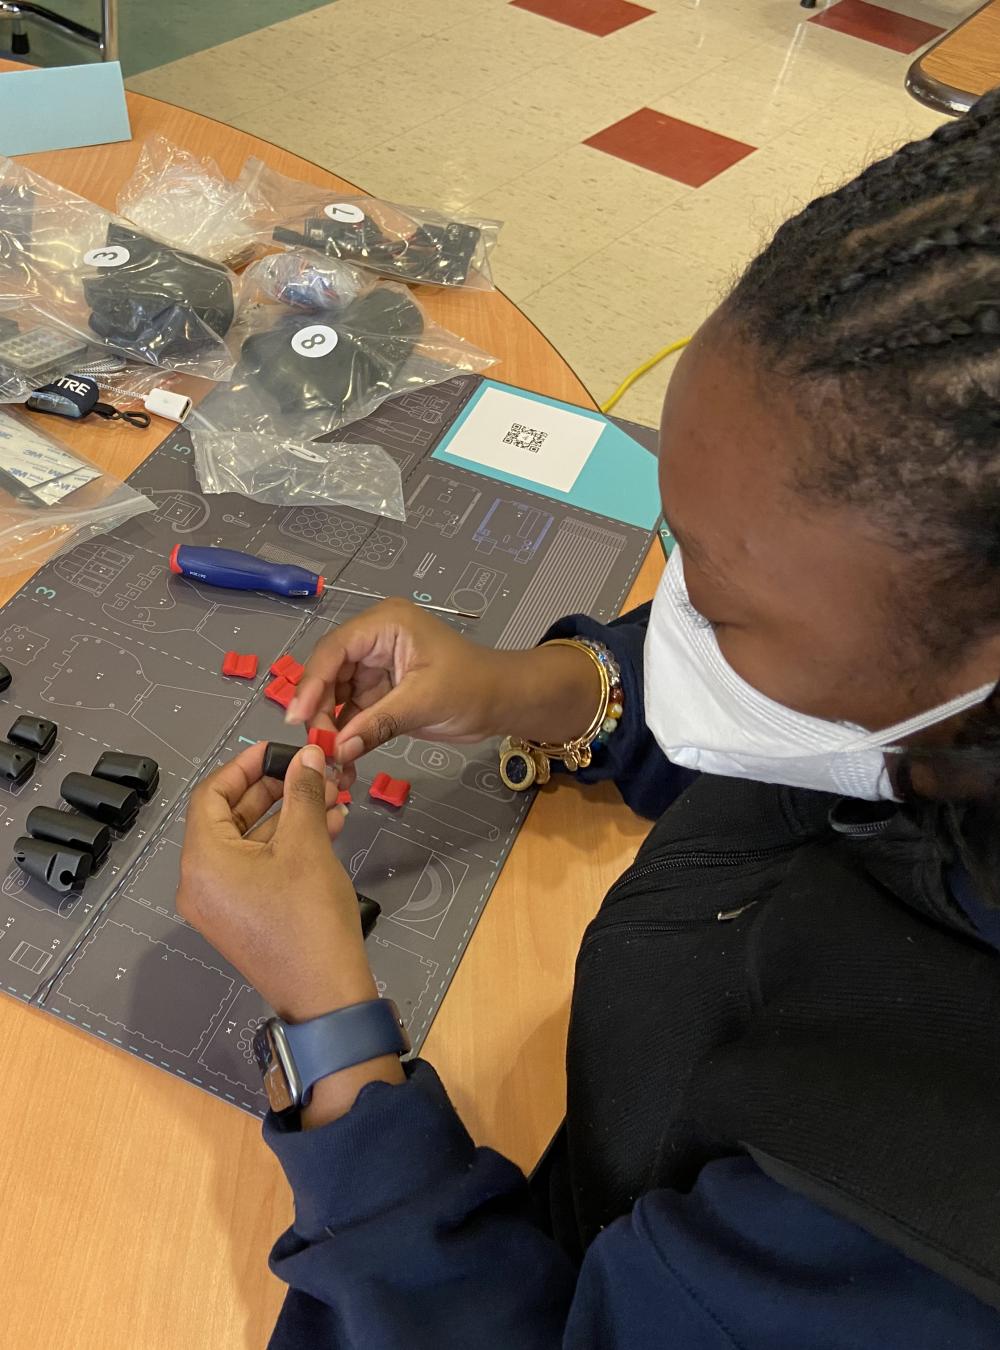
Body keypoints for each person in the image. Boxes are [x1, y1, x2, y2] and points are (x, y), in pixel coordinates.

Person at [177, 89, 1000, 1348]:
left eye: (713, 610)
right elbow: (828, 722)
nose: (670, 616)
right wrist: (546, 691)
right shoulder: (929, 711)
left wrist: (331, 1035)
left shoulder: (899, 1247)